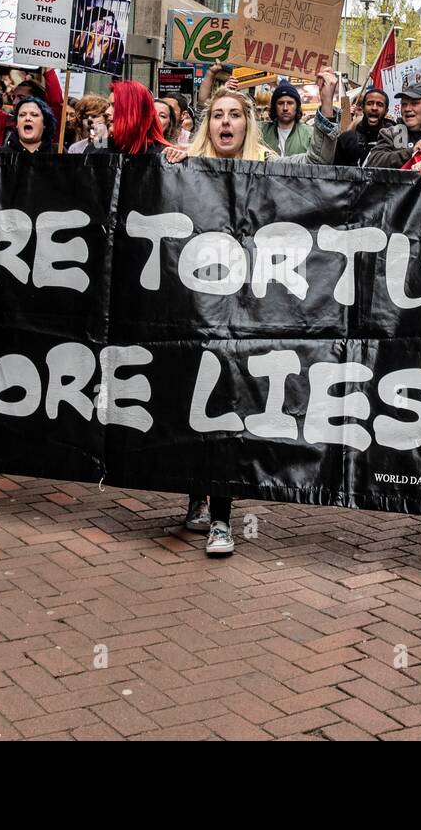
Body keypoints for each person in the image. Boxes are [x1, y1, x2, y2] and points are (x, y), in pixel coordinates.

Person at [164, 68, 341, 555]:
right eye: (217, 115)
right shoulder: (187, 165)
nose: (225, 122)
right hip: (195, 308)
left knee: (228, 404)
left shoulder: (269, 164)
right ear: (208, 125)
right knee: (194, 401)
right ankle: (197, 494)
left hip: (248, 310)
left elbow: (317, 164)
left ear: (247, 124)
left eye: (234, 116)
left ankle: (222, 517)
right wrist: (167, 163)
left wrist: (325, 108)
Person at [362, 84, 421, 169]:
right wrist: (411, 153)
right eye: (404, 104)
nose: (407, 109)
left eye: (415, 103)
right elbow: (372, 162)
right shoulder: (392, 133)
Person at [334, 85, 390, 166]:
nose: (374, 108)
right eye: (370, 103)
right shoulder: (346, 139)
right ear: (363, 108)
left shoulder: (394, 139)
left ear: (386, 111)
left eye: (379, 104)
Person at [260, 81, 314, 158]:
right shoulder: (262, 132)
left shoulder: (309, 134)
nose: (285, 108)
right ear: (274, 106)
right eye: (281, 103)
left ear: (297, 106)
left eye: (290, 103)